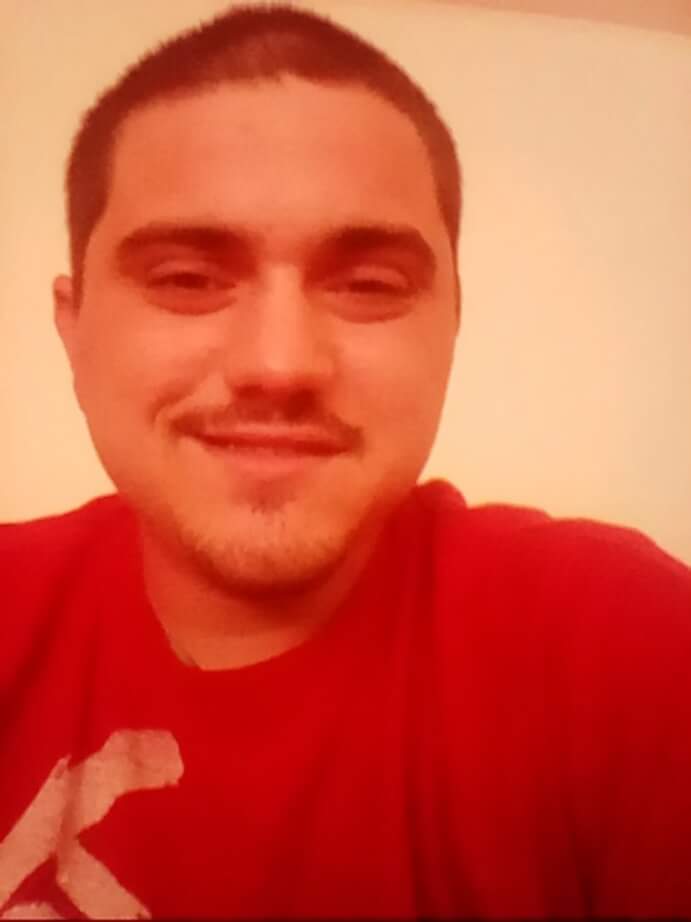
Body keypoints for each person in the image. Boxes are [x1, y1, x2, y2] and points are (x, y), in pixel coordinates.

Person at [1, 4, 689, 919]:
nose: (279, 364)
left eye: (368, 286)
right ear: (74, 327)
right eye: (186, 279)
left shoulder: (626, 654)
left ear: (450, 327)